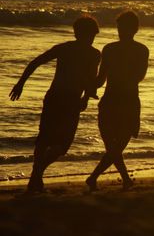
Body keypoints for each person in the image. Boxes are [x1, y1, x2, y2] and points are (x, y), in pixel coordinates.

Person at [9, 15, 101, 193]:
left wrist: (21, 83)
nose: (91, 39)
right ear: (86, 34)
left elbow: (36, 62)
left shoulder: (64, 48)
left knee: (44, 139)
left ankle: (36, 177)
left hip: (54, 97)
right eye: (91, 35)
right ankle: (37, 174)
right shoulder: (94, 54)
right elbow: (90, 81)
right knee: (62, 144)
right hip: (70, 100)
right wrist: (86, 98)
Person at [86, 11, 149, 191]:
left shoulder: (137, 50)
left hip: (125, 101)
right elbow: (100, 79)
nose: (120, 31)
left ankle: (95, 178)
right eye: (119, 27)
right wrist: (88, 87)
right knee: (113, 146)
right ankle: (120, 179)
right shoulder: (111, 49)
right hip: (113, 100)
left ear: (134, 29)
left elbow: (139, 76)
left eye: (123, 27)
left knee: (117, 145)